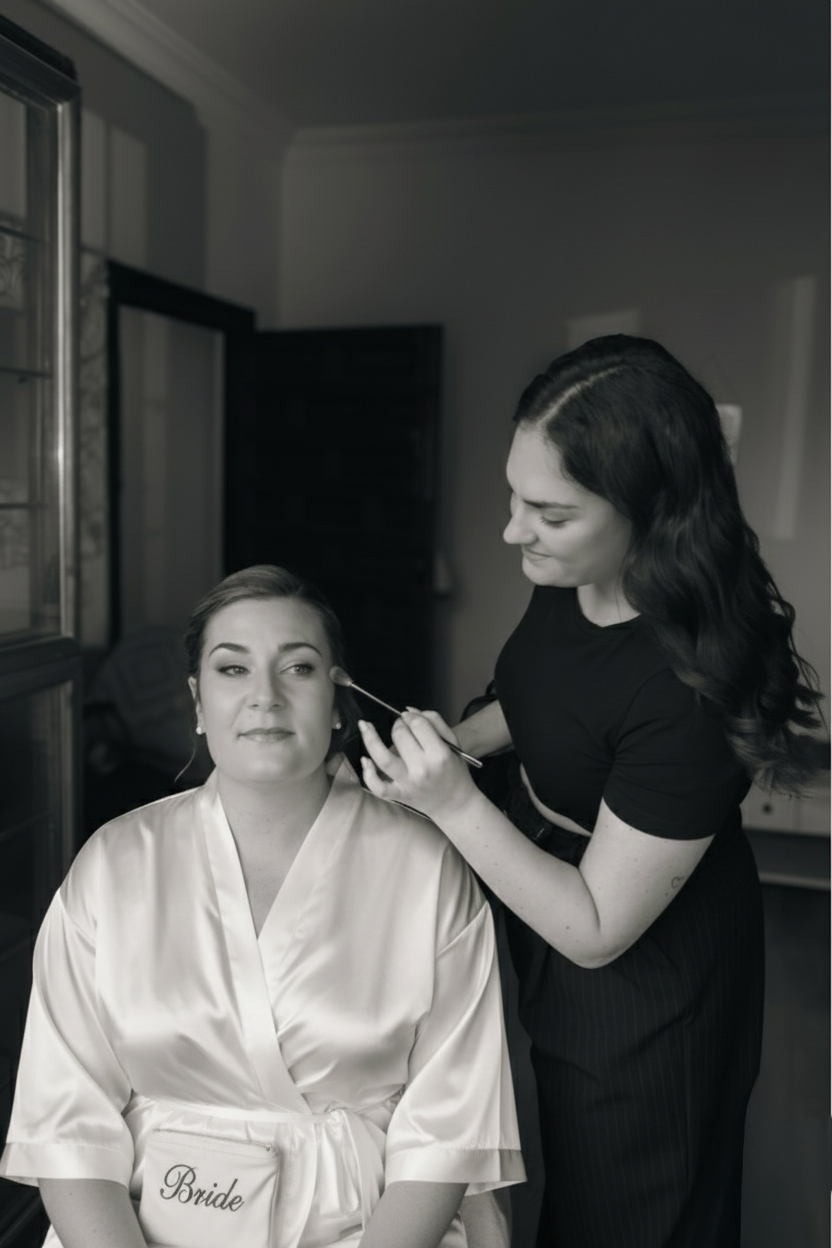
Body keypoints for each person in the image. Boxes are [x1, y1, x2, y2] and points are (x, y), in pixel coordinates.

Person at [357, 335, 824, 1248]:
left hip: (647, 973)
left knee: (631, 1210)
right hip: (554, 888)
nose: (512, 532)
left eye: (550, 513)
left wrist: (452, 801)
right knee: (576, 1173)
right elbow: (545, 692)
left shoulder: (689, 686)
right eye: (514, 496)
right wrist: (466, 740)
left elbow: (599, 928)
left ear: (652, 512)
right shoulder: (572, 574)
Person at [0, 565, 524, 1248]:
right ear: (197, 700)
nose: (265, 697)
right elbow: (67, 1125)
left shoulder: (427, 869)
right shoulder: (113, 864)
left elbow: (446, 1132)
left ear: (337, 700)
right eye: (233, 669)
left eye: (298, 668)